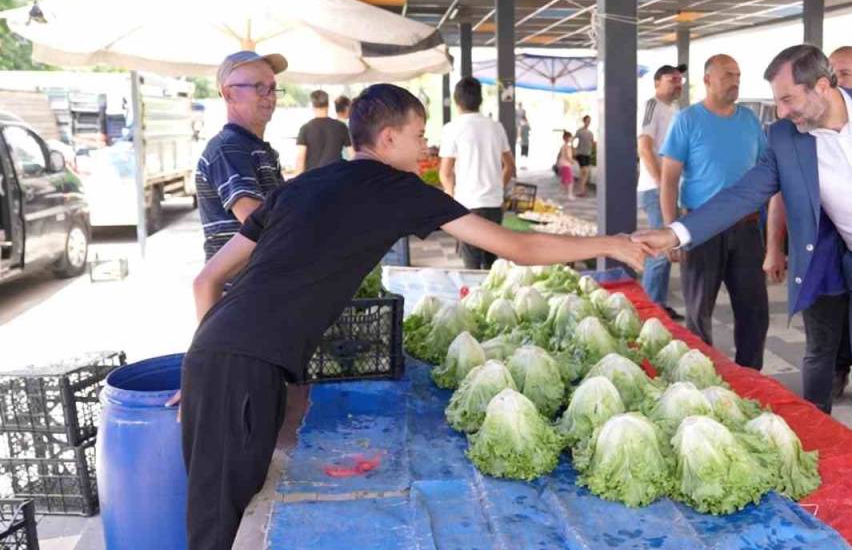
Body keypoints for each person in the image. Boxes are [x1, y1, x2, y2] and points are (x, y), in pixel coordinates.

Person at [172, 84, 648, 550]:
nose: (426, 146)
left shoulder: (300, 187)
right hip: (241, 366)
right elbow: (517, 246)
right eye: (419, 135)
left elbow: (206, 282)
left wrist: (203, 364)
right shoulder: (397, 188)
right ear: (387, 140)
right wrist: (609, 244)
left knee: (230, 511)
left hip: (223, 353)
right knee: (217, 529)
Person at [635, 45, 852, 520]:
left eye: (787, 99)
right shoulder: (786, 138)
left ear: (823, 87)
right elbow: (744, 193)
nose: (780, 112)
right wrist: (675, 232)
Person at [763, 45, 852, 412]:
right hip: (822, 260)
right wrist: (774, 247)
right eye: (835, 74)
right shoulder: (796, 134)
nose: (840, 82)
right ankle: (817, 424)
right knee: (820, 345)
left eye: (847, 75)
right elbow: (774, 191)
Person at [658, 54, 772, 370]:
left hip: (747, 228)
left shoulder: (750, 121)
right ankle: (701, 377)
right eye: (727, 75)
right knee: (698, 313)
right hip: (700, 227)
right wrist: (671, 232)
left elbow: (767, 173)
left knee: (755, 311)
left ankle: (751, 376)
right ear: (707, 79)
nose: (734, 81)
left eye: (738, 75)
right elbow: (668, 181)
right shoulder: (687, 120)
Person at [194, 51, 288, 261]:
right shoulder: (227, 148)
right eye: (259, 87)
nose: (270, 96)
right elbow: (256, 221)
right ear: (229, 94)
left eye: (272, 88)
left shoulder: (262, 150)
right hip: (242, 289)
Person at [440, 77, 515, 270]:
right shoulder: (496, 127)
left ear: (457, 102)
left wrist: (450, 195)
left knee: (471, 265)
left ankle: (474, 298)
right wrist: (498, 188)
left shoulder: (451, 129)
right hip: (493, 205)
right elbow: (510, 166)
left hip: (468, 206)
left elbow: (446, 172)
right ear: (480, 100)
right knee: (492, 266)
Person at [638, 63, 686, 321]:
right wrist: (661, 185)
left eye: (679, 80)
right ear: (657, 83)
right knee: (659, 250)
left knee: (669, 248)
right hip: (655, 189)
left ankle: (658, 304)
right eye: (671, 80)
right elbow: (644, 148)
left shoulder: (675, 109)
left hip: (671, 190)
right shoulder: (652, 106)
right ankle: (649, 311)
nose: (678, 84)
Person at [294, 90, 351, 174]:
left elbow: (300, 160)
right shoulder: (341, 127)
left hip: (313, 180)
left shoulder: (305, 128)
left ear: (312, 106)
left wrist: (297, 184)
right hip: (336, 179)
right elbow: (352, 155)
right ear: (328, 105)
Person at [573, 115, 594, 196]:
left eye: (590, 120)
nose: (588, 122)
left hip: (587, 154)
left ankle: (581, 188)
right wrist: (573, 149)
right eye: (587, 120)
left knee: (585, 173)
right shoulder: (580, 131)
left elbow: (592, 142)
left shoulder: (590, 133)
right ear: (584, 121)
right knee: (584, 171)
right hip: (580, 153)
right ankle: (582, 190)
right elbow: (573, 139)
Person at [556, 131, 576, 198]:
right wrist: (572, 161)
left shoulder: (563, 146)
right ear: (567, 138)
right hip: (566, 165)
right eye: (571, 137)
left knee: (564, 180)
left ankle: (561, 193)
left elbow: (560, 155)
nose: (572, 138)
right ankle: (569, 194)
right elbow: (568, 156)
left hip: (562, 165)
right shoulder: (567, 147)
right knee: (570, 181)